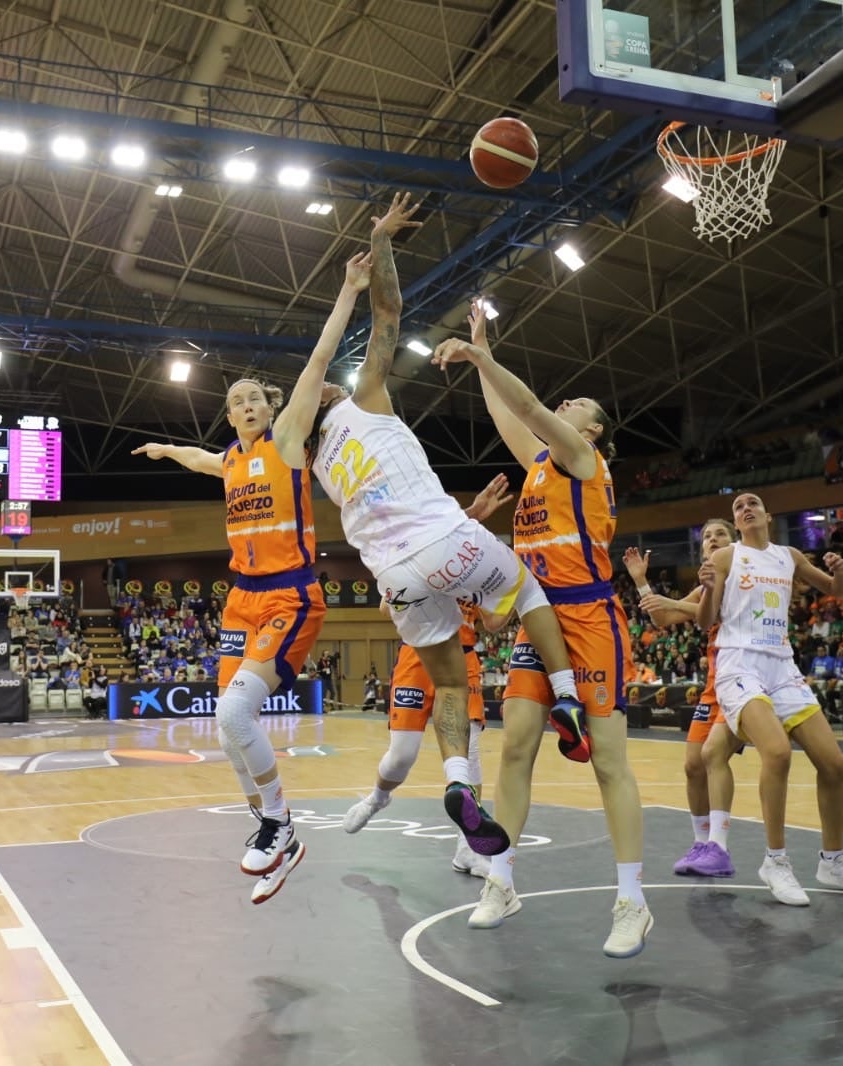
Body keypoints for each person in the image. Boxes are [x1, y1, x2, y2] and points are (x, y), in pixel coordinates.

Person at [311, 195, 586, 884]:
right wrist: (381, 242)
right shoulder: (365, 396)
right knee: (527, 589)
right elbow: (388, 316)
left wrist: (472, 514)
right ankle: (566, 695)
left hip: (395, 574)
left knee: (453, 688)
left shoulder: (315, 460)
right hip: (441, 543)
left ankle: (459, 782)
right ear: (334, 393)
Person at [131, 249, 371, 905]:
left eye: (253, 398)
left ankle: (280, 824)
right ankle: (273, 836)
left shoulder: (288, 440)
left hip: (290, 594)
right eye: (233, 401)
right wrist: (162, 449)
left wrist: (348, 288)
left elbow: (319, 360)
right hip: (240, 600)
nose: (244, 405)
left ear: (270, 407)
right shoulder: (230, 462)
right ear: (229, 417)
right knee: (224, 724)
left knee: (238, 712)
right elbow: (195, 458)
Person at [433, 298, 650, 958]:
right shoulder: (538, 466)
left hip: (588, 618)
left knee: (608, 763)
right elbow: (509, 416)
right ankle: (500, 879)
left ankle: (631, 902)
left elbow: (528, 410)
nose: (566, 407)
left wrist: (484, 356)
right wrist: (477, 353)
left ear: (594, 431)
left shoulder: (584, 461)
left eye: (577, 405)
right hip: (537, 617)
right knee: (515, 748)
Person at [695, 492, 843, 905]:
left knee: (833, 763)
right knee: (777, 752)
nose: (746, 508)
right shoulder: (726, 557)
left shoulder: (789, 556)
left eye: (753, 503)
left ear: (767, 515)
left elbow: (837, 591)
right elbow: (705, 621)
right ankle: (775, 862)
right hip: (739, 665)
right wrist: (708, 590)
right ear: (737, 522)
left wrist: (840, 571)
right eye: (738, 507)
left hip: (782, 666)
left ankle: (832, 862)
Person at [341, 475, 515, 879]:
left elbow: (492, 622)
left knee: (468, 754)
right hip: (418, 657)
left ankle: (467, 849)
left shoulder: (481, 563)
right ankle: (378, 798)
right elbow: (388, 610)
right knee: (401, 756)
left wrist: (517, 589)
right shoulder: (412, 555)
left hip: (465, 658)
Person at [624, 520, 741, 878]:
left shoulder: (743, 576)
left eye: (720, 533)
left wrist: (673, 600)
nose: (713, 539)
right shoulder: (702, 587)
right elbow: (663, 618)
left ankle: (722, 848)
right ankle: (702, 843)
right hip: (713, 683)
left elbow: (714, 614)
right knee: (693, 764)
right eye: (707, 536)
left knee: (713, 756)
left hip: (743, 677)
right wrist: (642, 581)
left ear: (733, 543)